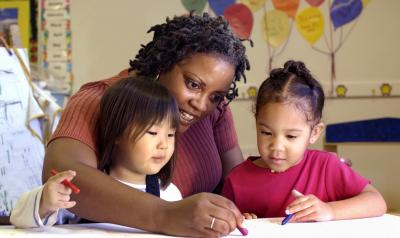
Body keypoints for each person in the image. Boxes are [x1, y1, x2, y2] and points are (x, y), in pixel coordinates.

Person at [42, 12, 249, 237]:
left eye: (216, 96)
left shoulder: (215, 111)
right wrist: (166, 215)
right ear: (163, 64)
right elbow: (65, 173)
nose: (201, 104)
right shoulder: (101, 99)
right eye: (192, 84)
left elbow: (241, 186)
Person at [221, 60, 387, 222]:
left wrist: (329, 210)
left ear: (314, 133)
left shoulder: (326, 166)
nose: (277, 147)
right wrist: (240, 220)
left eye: (291, 136)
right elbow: (225, 221)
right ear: (256, 123)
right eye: (266, 132)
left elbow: (376, 201)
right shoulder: (237, 180)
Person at [11, 77, 182, 228]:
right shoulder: (80, 190)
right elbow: (19, 219)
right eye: (153, 133)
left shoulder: (170, 195)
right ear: (117, 133)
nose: (164, 145)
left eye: (170, 135)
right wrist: (44, 202)